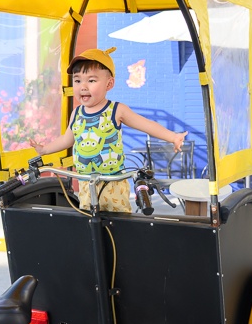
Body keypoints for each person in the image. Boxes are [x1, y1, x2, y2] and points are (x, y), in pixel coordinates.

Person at [32, 47, 187, 213]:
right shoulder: (77, 113)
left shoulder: (116, 110)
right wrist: (45, 149)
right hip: (86, 183)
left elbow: (146, 124)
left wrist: (172, 137)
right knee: (90, 222)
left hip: (113, 183)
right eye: (77, 81)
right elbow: (67, 139)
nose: (83, 86)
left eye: (91, 81)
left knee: (118, 223)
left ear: (109, 84)